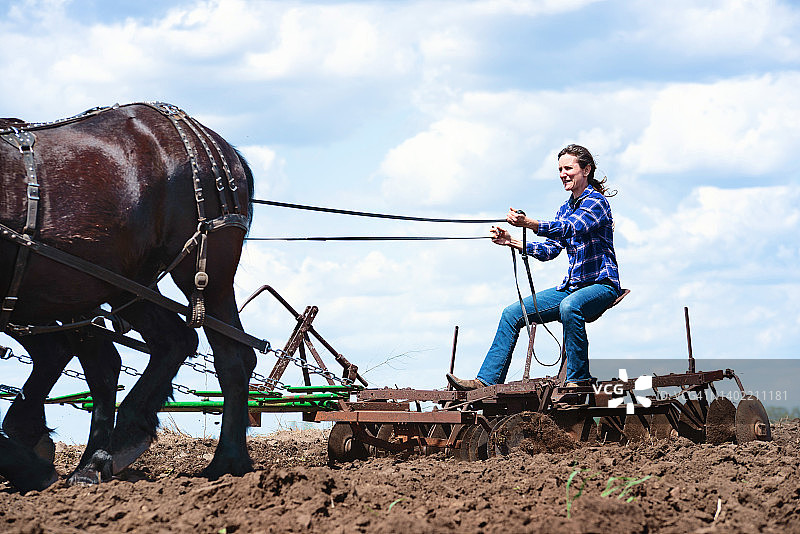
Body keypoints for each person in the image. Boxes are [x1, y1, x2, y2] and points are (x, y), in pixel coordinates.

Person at [446, 144, 621, 390]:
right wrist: (512, 241)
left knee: (570, 306)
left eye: (568, 168)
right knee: (512, 313)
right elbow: (550, 250)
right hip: (572, 287)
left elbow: (570, 228)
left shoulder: (596, 203)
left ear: (586, 170)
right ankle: (485, 381)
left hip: (602, 285)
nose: (563, 174)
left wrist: (528, 222)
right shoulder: (564, 208)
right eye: (560, 169)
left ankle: (578, 380)